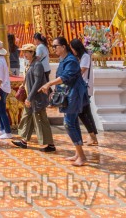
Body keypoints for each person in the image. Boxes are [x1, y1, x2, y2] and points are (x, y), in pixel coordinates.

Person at [39, 37, 88, 166]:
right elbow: (61, 77)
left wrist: (49, 84)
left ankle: (82, 156)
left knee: (69, 123)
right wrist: (55, 90)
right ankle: (78, 153)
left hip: (74, 94)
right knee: (72, 122)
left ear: (64, 46)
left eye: (55, 46)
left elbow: (65, 77)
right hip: (68, 94)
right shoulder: (64, 60)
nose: (53, 49)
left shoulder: (71, 60)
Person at [11, 44, 54, 152]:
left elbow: (37, 83)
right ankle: (23, 141)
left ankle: (50, 145)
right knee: (27, 118)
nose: (24, 54)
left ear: (32, 53)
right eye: (23, 52)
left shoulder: (37, 65)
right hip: (30, 98)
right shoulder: (30, 64)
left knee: (41, 120)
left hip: (37, 98)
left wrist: (29, 98)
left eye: (26, 52)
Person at [69, 39, 100, 146]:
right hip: (81, 88)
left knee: (83, 113)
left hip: (84, 88)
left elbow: (82, 70)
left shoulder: (85, 56)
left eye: (72, 48)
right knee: (84, 113)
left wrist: (69, 75)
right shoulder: (82, 57)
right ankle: (93, 135)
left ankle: (93, 136)